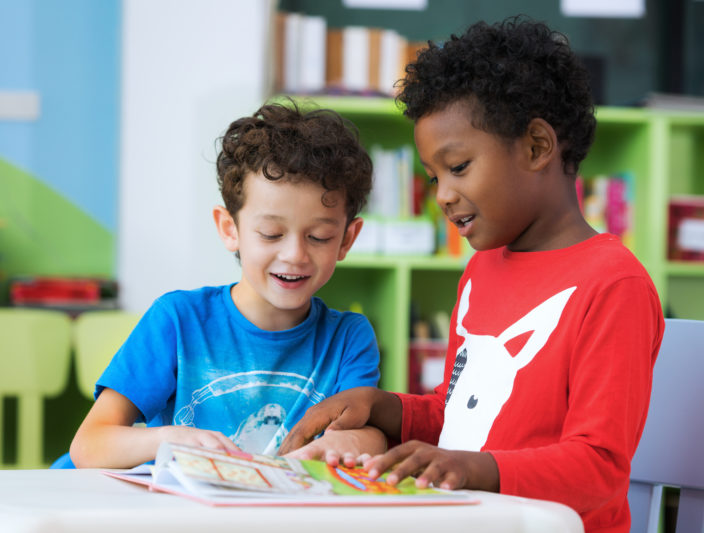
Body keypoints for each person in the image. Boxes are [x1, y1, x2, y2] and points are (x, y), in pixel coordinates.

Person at [278, 17, 664, 533]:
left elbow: (599, 469)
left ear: (535, 147)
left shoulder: (613, 285)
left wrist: (475, 469)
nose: (442, 194)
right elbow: (462, 415)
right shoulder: (481, 268)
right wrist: (385, 407)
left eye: (458, 167)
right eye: (434, 177)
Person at [66, 100, 383, 469]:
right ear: (229, 229)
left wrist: (349, 442)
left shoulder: (348, 337)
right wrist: (170, 439)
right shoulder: (179, 320)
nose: (295, 254)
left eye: (319, 236)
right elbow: (89, 446)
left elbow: (372, 436)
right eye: (271, 233)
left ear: (347, 238)